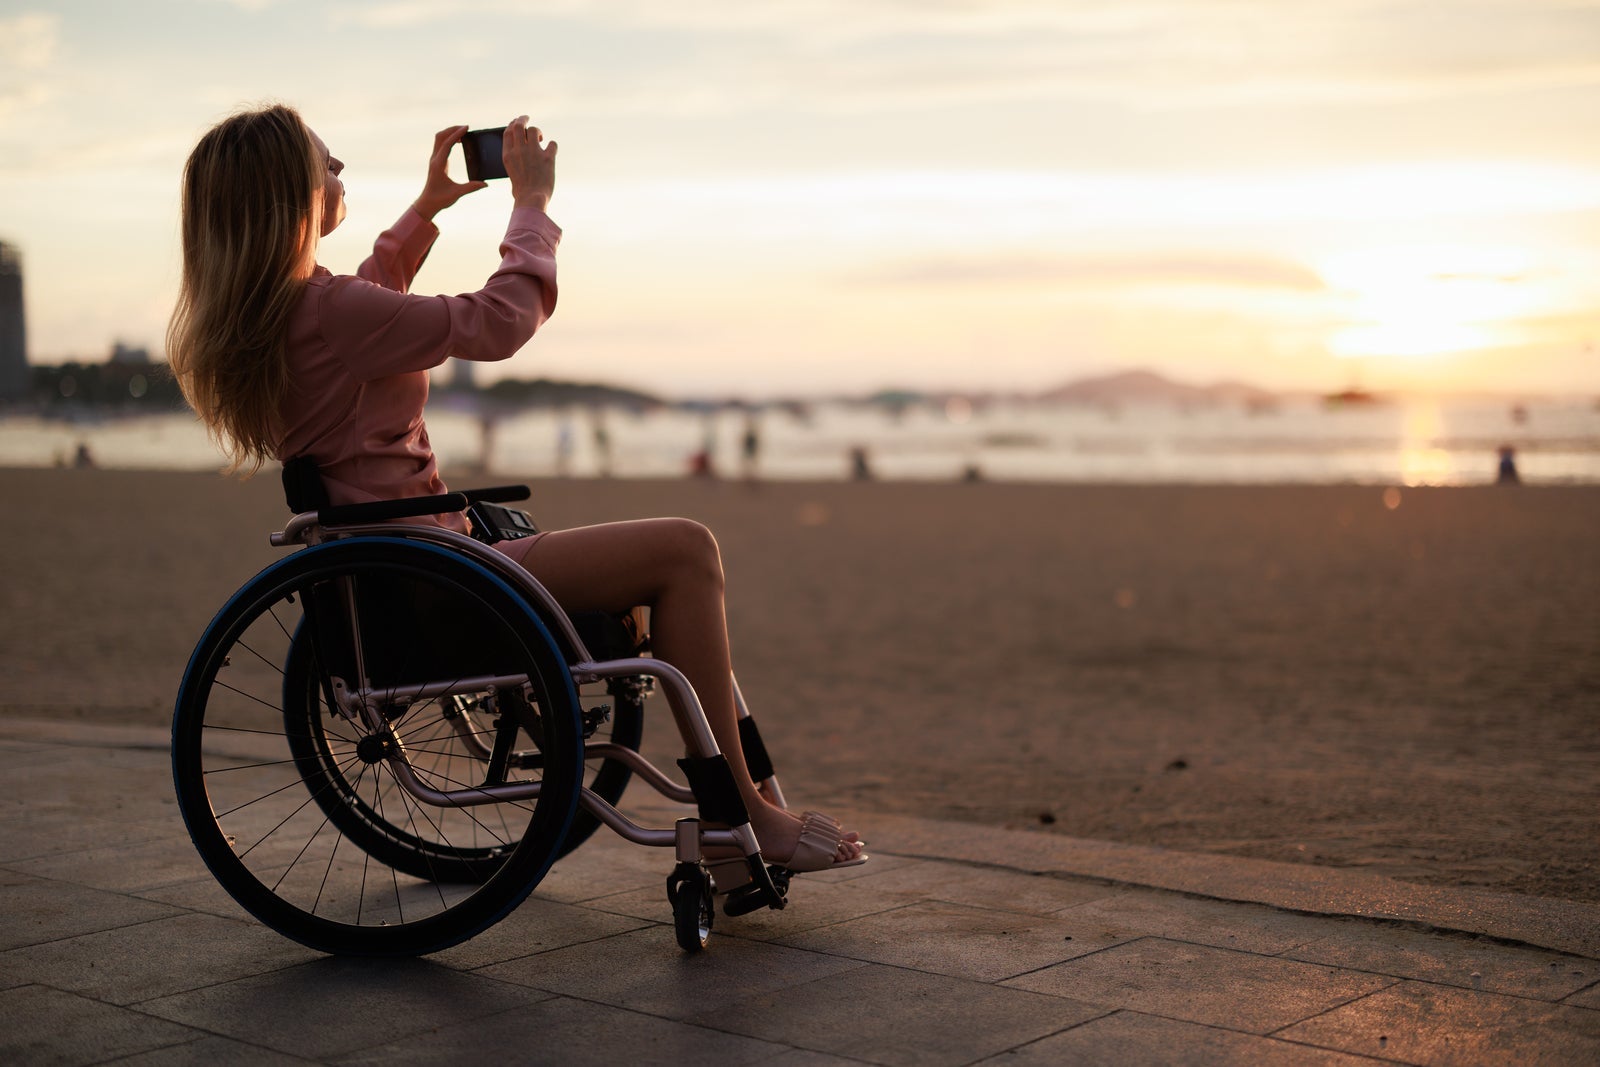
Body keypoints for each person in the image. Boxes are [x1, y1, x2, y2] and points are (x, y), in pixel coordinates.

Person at [166, 103, 863, 875]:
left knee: (671, 565)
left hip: (403, 572)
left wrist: (428, 210)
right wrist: (531, 209)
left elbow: (374, 300)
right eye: (325, 164)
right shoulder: (330, 312)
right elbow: (500, 322)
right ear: (286, 195)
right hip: (443, 579)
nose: (339, 172)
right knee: (688, 550)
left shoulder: (283, 316)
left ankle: (747, 808)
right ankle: (744, 817)